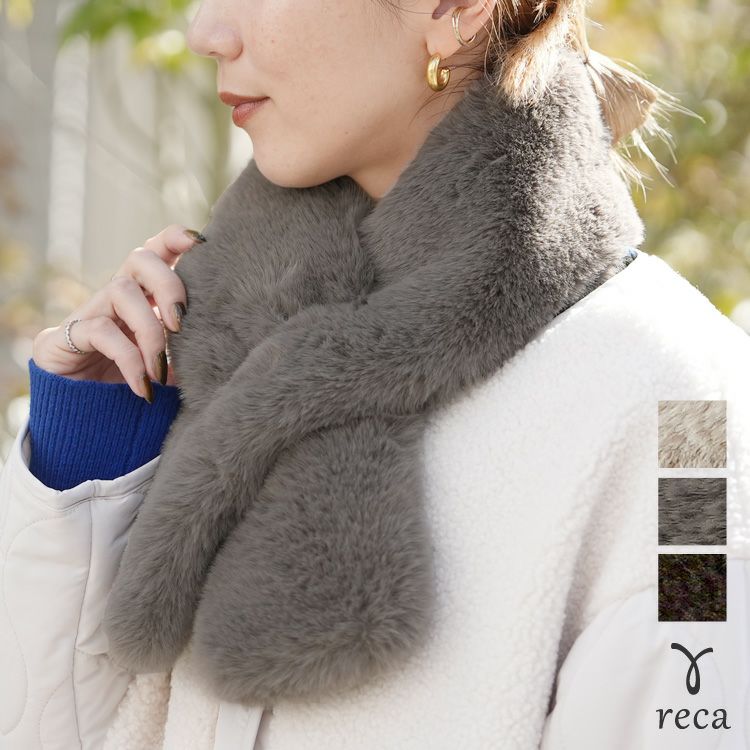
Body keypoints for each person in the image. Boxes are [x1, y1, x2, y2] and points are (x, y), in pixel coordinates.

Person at [2, 1, 749, 749]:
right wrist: (87, 452)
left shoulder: (692, 420)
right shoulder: (222, 328)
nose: (204, 32)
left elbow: (693, 705)